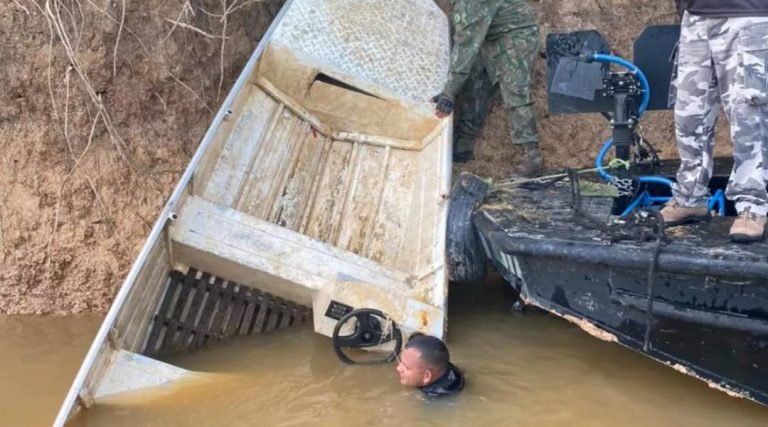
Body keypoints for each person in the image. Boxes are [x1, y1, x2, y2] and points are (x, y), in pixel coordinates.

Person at [661, 0, 768, 242]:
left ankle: (752, 206)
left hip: (748, 16)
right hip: (695, 17)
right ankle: (690, 197)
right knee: (689, 116)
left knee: (749, 117)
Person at [432, 0, 542, 177]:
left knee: (514, 92)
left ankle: (532, 157)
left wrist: (448, 93)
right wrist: (451, 89)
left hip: (517, 36)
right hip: (492, 36)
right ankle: (463, 145)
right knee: (476, 82)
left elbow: (465, 47)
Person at [395, 333, 465, 397]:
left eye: (406, 367)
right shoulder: (443, 366)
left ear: (427, 376)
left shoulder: (435, 397)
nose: (398, 368)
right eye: (401, 362)